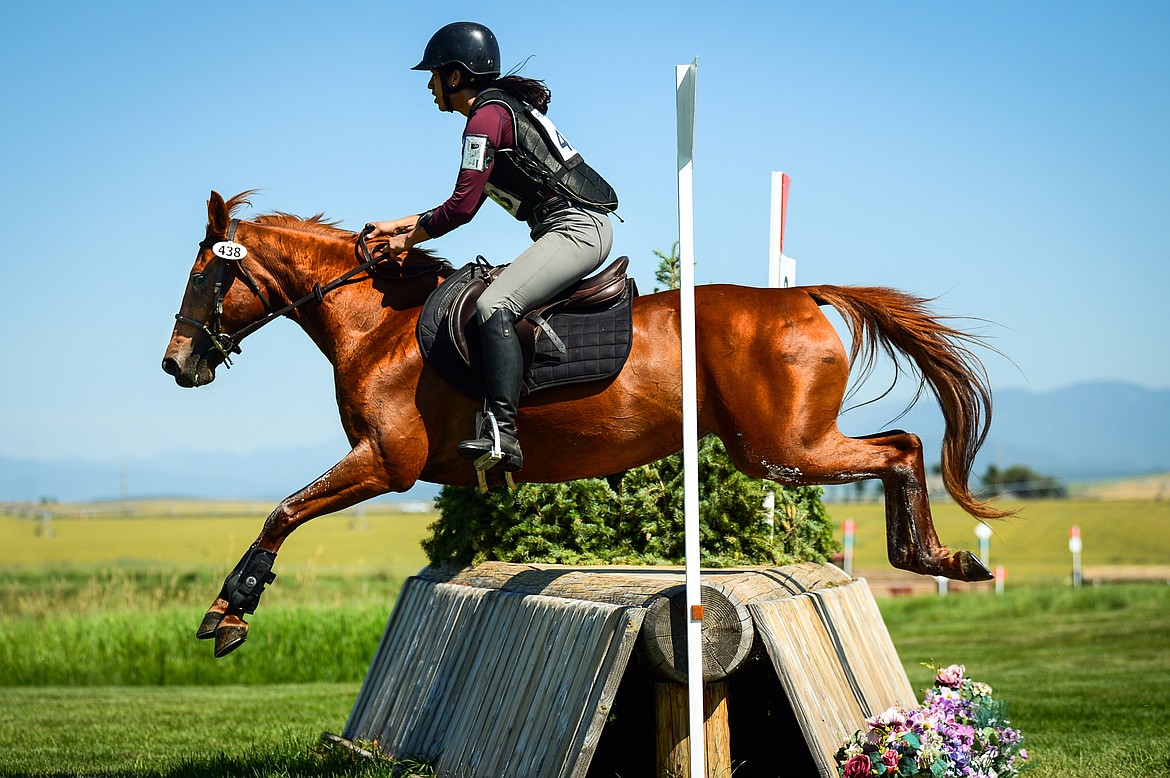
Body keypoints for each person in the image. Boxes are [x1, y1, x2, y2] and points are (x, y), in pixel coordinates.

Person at [366, 21, 618, 474]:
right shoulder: (497, 112)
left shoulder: (485, 118)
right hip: (572, 226)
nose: (429, 84)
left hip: (576, 229)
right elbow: (468, 199)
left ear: (457, 76)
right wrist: (399, 224)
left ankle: (502, 432)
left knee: (493, 304)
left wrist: (408, 241)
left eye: (435, 74)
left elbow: (461, 209)